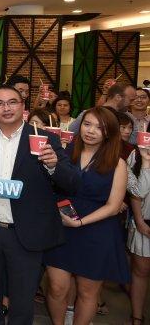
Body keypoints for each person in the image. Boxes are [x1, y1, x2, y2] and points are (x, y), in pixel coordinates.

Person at [0, 85, 82, 325]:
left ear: (23, 106)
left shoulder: (45, 138)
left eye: (12, 102)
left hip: (26, 231)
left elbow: (71, 182)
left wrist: (52, 165)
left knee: (22, 299)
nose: (6, 108)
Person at [44, 107, 130, 324]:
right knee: (56, 287)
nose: (91, 131)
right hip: (61, 225)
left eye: (99, 127)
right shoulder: (63, 153)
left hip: (96, 231)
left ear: (109, 132)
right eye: (87, 124)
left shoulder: (117, 163)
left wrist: (81, 222)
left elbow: (114, 205)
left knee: (87, 292)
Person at [127, 144, 150, 325]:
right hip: (144, 220)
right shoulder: (138, 154)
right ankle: (137, 317)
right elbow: (136, 192)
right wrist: (139, 220)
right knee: (141, 270)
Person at [69, 83, 136, 134]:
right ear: (118, 97)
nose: (133, 103)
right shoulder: (88, 114)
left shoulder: (129, 118)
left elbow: (134, 140)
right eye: (131, 100)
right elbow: (71, 133)